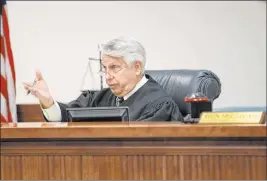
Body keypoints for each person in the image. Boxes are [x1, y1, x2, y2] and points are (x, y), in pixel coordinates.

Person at [24, 36, 184, 122]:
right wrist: (48, 102)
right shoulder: (99, 99)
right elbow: (68, 116)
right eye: (104, 69)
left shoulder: (160, 106)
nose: (108, 76)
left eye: (114, 68)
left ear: (136, 67)